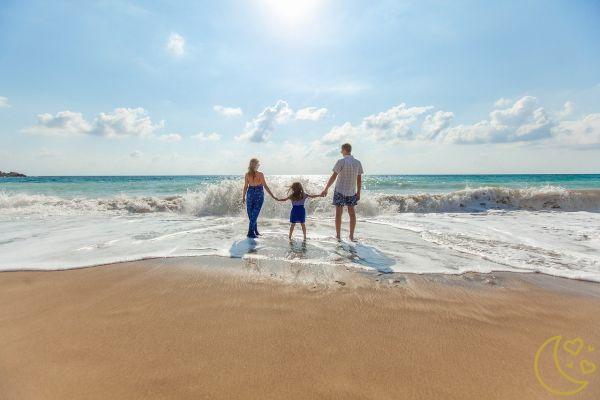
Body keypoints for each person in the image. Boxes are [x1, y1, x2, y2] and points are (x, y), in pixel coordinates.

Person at [321, 143, 363, 241]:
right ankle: (351, 236)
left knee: (338, 214)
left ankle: (338, 236)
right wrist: (359, 192)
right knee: (352, 214)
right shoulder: (358, 162)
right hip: (352, 192)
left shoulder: (341, 161)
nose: (341, 152)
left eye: (341, 150)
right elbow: (359, 180)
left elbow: (334, 176)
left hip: (340, 190)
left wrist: (326, 188)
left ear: (344, 150)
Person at [242, 158, 277, 238]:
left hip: (258, 194)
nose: (259, 165)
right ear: (255, 165)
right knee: (251, 215)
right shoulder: (247, 174)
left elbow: (265, 186)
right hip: (250, 193)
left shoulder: (260, 174)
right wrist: (243, 196)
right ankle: (255, 231)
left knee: (254, 214)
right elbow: (245, 186)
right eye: (258, 164)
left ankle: (250, 232)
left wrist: (272, 195)